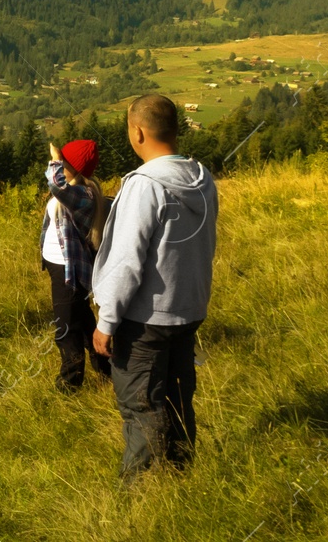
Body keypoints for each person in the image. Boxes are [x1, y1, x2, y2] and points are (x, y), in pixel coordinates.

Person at [92, 94, 218, 479]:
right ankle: (181, 479)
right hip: (188, 309)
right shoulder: (202, 178)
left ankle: (139, 495)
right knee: (179, 401)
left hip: (146, 319)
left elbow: (127, 260)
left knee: (141, 407)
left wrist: (107, 320)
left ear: (139, 132)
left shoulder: (144, 186)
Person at [41, 139, 112, 390]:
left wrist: (54, 159)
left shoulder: (83, 194)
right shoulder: (76, 191)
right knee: (81, 322)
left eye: (65, 163)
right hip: (58, 266)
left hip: (68, 270)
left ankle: (69, 383)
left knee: (66, 328)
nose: (60, 167)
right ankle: (107, 368)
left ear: (74, 167)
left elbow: (55, 186)